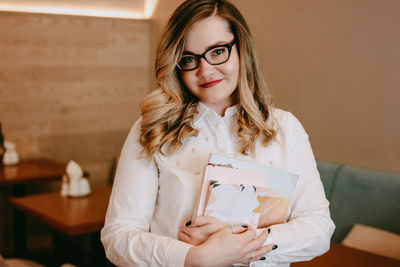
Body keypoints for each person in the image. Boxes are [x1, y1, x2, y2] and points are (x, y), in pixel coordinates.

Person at [100, 0, 335, 266]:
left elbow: (319, 229)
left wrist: (239, 242)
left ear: (241, 50)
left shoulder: (284, 128)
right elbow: (118, 238)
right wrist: (194, 257)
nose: (205, 70)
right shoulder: (152, 128)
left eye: (217, 51)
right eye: (189, 59)